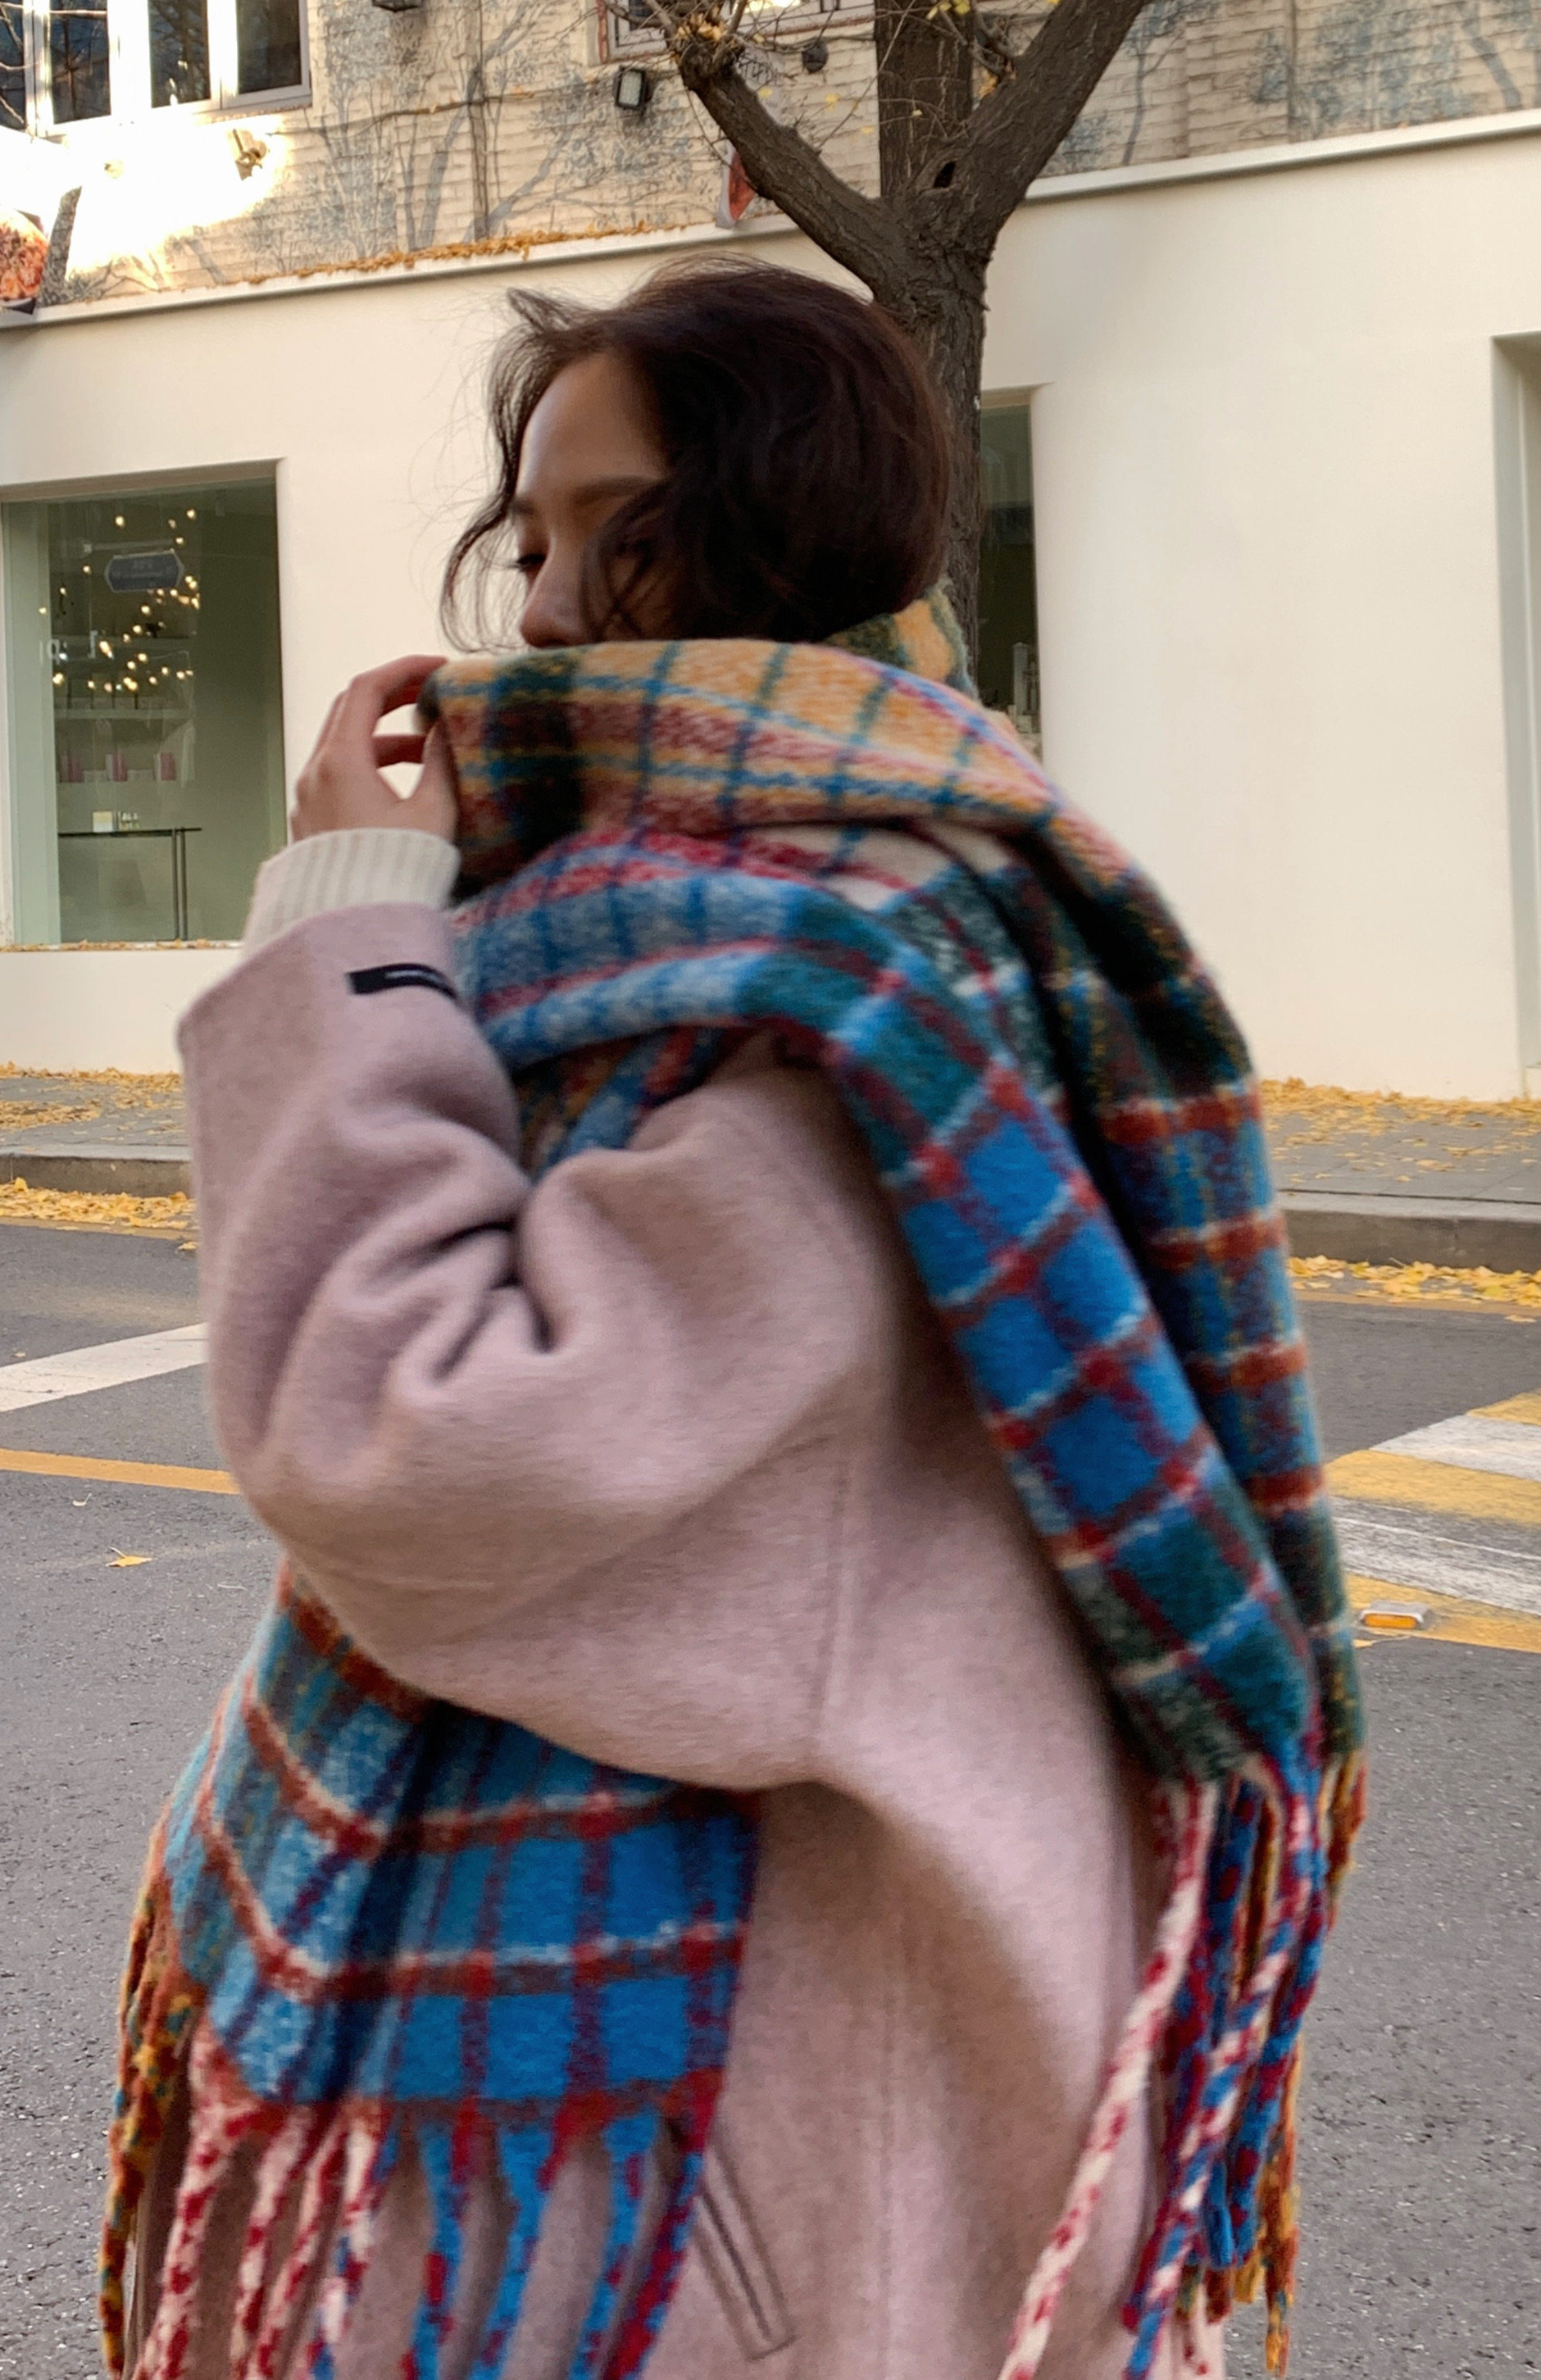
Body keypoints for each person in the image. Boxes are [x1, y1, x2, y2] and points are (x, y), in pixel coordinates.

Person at [104, 262, 1361, 2380]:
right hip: (775, 2098)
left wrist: (348, 923)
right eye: (532, 539)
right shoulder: (812, 918)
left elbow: (405, 1433)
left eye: (627, 535)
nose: (547, 610)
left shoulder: (822, 1006)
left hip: (728, 2164)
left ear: (784, 536)